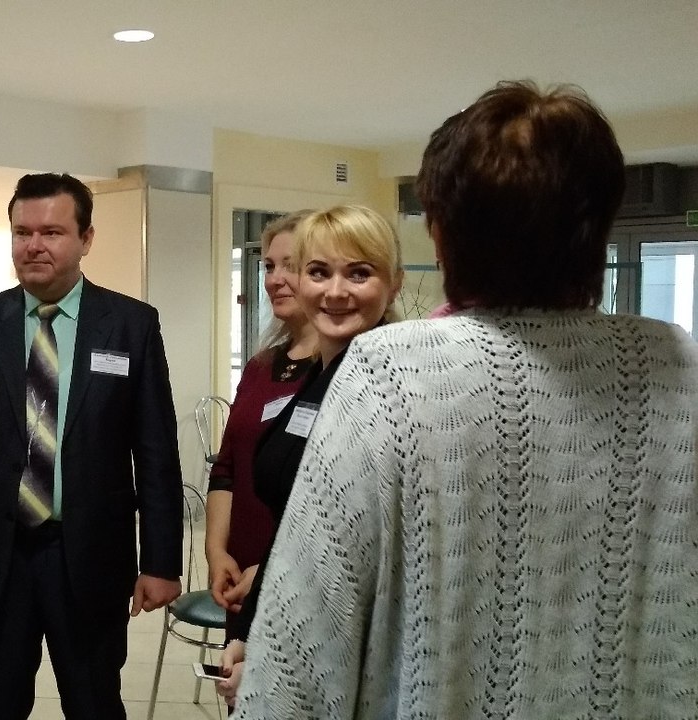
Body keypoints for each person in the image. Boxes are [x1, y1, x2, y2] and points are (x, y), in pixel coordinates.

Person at [233, 81, 698, 719]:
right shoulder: (676, 364)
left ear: (440, 231)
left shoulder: (391, 371)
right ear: (599, 224)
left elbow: (301, 654)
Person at [0, 172, 184, 719]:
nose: (34, 246)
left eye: (52, 232)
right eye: (22, 232)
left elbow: (156, 452)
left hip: (89, 557)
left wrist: (161, 561)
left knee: (94, 704)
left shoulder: (130, 325)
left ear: (86, 239)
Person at [218, 204, 403, 706]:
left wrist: (272, 653)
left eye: (358, 274)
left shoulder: (387, 389)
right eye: (319, 272)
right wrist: (249, 633)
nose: (335, 292)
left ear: (395, 284)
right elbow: (291, 525)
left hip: (340, 646)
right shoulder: (322, 377)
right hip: (285, 614)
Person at [205, 210, 317, 621]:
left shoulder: (344, 368)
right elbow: (226, 469)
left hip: (306, 579)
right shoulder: (260, 366)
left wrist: (272, 568)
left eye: (291, 265)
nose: (274, 279)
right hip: (239, 575)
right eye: (269, 266)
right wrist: (216, 552)